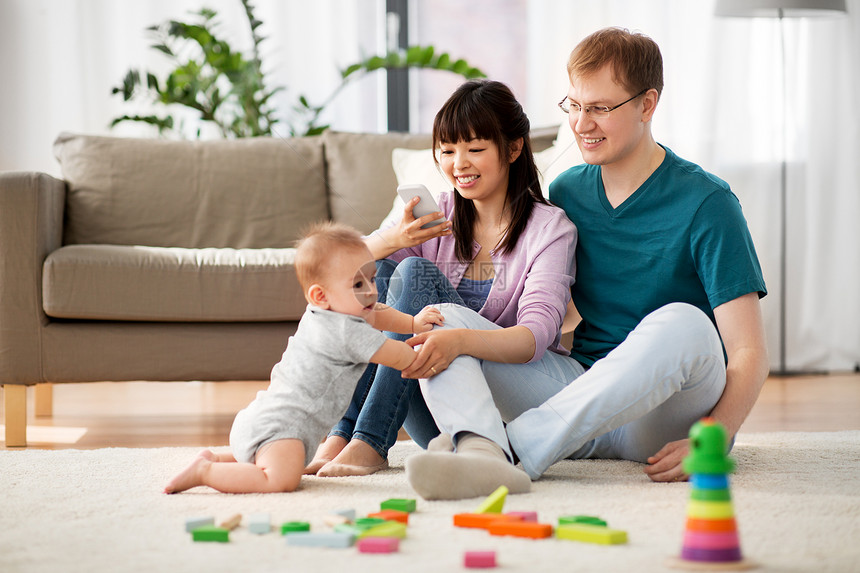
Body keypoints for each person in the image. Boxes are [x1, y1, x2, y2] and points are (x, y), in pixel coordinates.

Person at [405, 27, 768, 500]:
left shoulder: (709, 203)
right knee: (446, 322)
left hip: (662, 416)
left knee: (687, 323)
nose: (581, 124)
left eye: (600, 108)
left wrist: (717, 434)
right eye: (573, 106)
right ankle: (482, 454)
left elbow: (749, 352)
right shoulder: (569, 191)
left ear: (647, 104)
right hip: (578, 393)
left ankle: (514, 450)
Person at [305, 80, 577, 493]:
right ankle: (345, 431)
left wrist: (457, 341)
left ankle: (370, 440)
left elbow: (535, 338)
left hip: (497, 410)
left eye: (475, 149)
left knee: (416, 273)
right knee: (373, 280)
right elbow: (341, 272)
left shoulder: (549, 229)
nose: (459, 164)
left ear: (514, 148)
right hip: (431, 401)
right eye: (448, 151)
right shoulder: (439, 212)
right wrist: (393, 239)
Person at [163, 222, 442, 494]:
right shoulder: (349, 333)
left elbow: (378, 313)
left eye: (371, 277)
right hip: (284, 429)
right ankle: (206, 473)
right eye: (358, 283)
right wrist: (437, 353)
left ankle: (214, 460)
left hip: (262, 418)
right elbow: (403, 357)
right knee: (280, 479)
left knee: (275, 463)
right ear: (320, 295)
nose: (371, 289)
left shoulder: (323, 313)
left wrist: (413, 323)